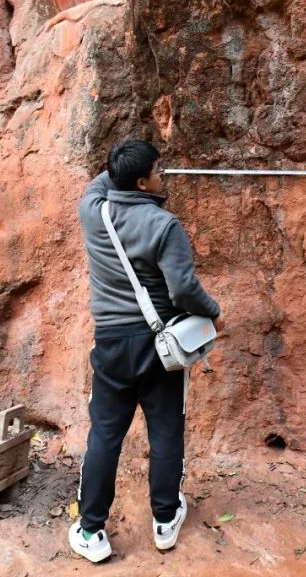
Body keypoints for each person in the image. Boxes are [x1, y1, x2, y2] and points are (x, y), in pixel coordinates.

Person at [69, 139, 221, 562]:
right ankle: (165, 520)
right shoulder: (164, 225)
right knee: (166, 432)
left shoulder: (92, 210)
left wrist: (120, 166)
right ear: (140, 182)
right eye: (158, 170)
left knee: (104, 436)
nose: (164, 175)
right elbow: (184, 289)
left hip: (112, 344)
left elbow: (103, 182)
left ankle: (91, 530)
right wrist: (215, 312)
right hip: (159, 345)